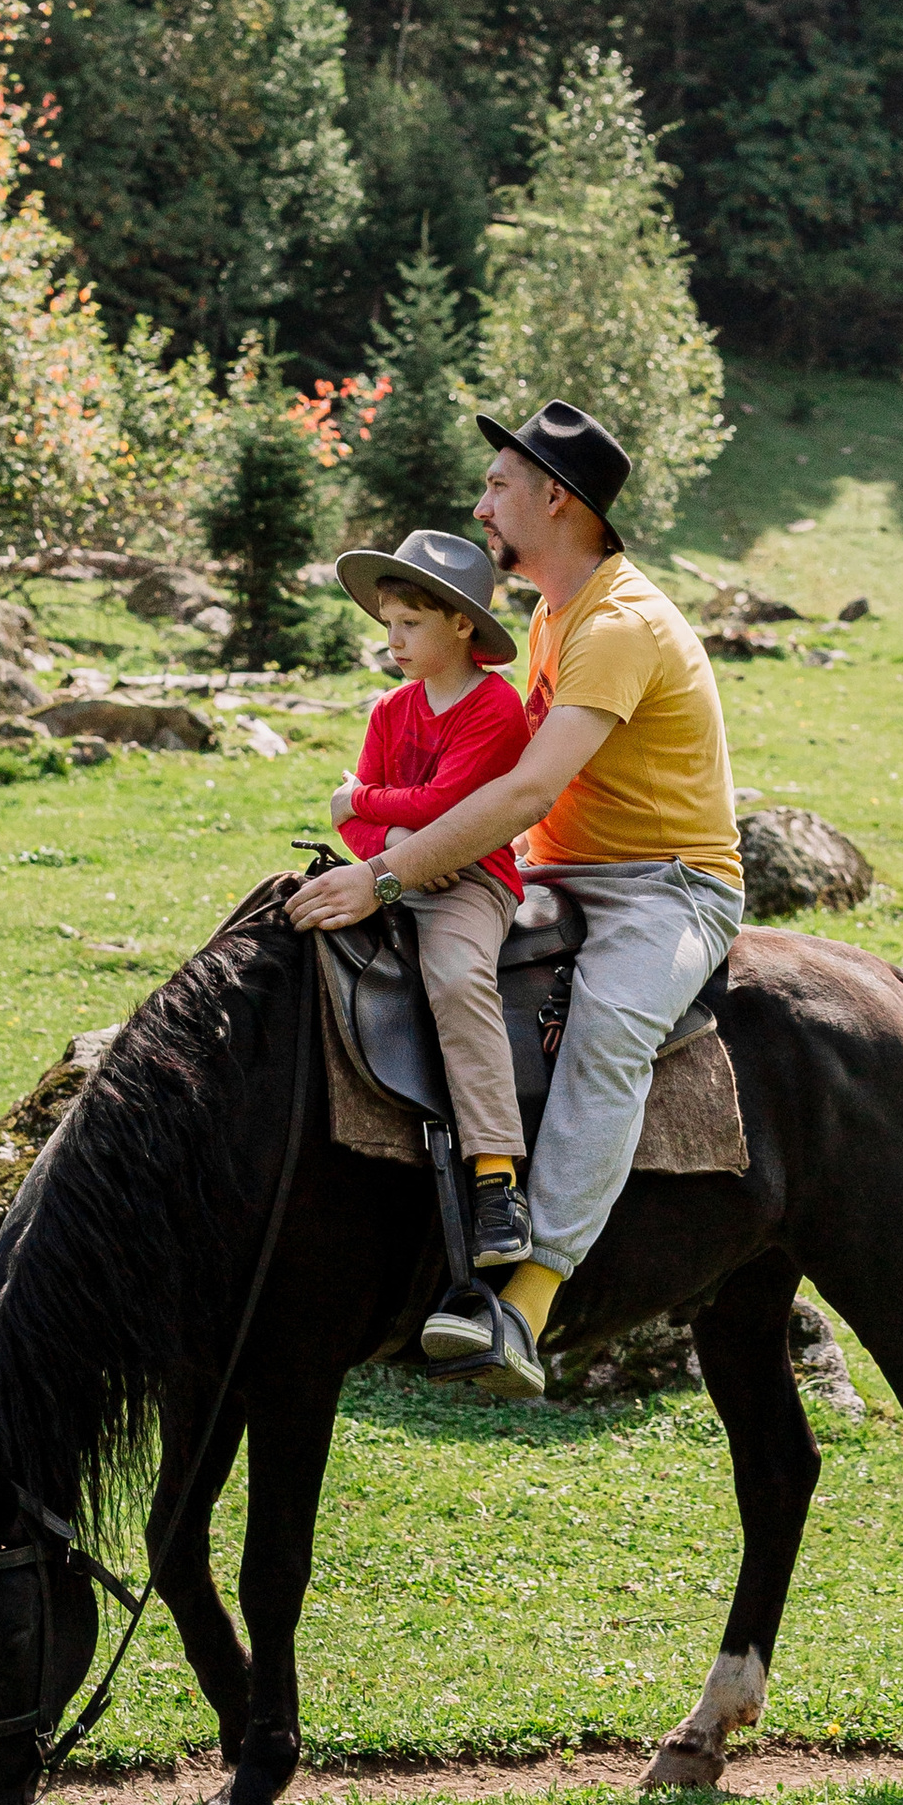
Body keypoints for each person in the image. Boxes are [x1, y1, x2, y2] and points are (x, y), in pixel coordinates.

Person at [290, 400, 742, 1397]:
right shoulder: (549, 616)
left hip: (667, 886)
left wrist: (383, 872)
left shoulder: (618, 625)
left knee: (607, 1032)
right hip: (556, 872)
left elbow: (529, 790)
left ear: (556, 499)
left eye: (498, 485)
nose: (482, 503)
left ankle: (526, 1303)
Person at [329, 526, 534, 1271]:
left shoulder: (495, 708)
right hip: (389, 868)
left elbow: (448, 806)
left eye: (411, 623)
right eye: (388, 624)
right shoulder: (390, 711)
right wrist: (390, 844)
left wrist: (358, 799)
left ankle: (495, 1176)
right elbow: (356, 832)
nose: (394, 640)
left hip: (469, 879)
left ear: (461, 625)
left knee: (456, 976)